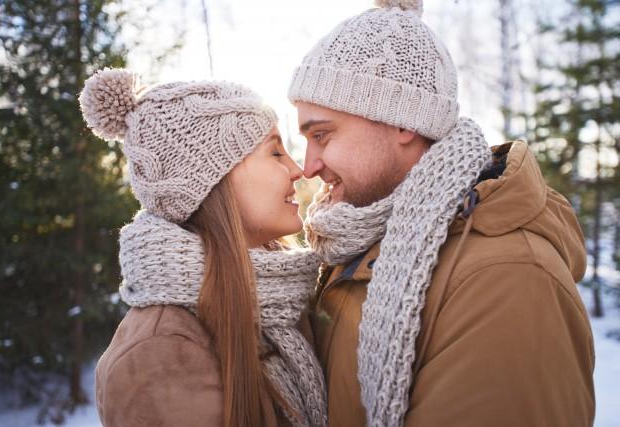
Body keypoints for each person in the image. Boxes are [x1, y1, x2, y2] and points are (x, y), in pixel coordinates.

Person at [287, 1, 595, 426]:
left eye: (322, 134)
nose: (309, 166)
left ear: (401, 123)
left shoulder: (506, 279)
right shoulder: (356, 247)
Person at [79, 68, 327, 427]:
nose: (297, 170)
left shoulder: (283, 298)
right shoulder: (158, 354)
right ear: (216, 180)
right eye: (275, 152)